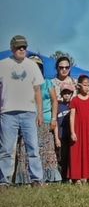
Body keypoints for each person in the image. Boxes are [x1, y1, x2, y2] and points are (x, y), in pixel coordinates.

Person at [0, 36, 44, 188]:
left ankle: (36, 179)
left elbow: (37, 90)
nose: (22, 49)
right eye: (19, 47)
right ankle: (4, 181)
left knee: (33, 148)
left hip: (29, 113)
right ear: (12, 48)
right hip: (8, 113)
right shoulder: (3, 65)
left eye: (24, 47)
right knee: (6, 149)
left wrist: (40, 113)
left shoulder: (32, 66)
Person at [16, 55, 62, 183]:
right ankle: (26, 177)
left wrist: (53, 119)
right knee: (27, 149)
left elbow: (54, 101)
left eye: (38, 66)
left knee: (46, 150)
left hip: (46, 120)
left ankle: (48, 176)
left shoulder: (47, 82)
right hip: (27, 121)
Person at [69, 75, 89, 184]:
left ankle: (88, 175)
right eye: (85, 85)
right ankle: (76, 177)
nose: (87, 88)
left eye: (88, 85)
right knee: (76, 152)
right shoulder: (75, 100)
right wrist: (72, 132)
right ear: (79, 86)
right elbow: (72, 116)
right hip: (78, 130)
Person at [57, 81, 74, 181]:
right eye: (64, 93)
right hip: (62, 135)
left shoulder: (73, 104)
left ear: (72, 94)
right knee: (63, 157)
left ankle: (72, 176)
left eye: (68, 93)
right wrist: (56, 137)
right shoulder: (59, 106)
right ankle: (63, 178)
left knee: (72, 157)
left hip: (71, 135)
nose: (66, 95)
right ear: (61, 94)